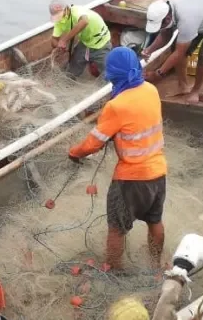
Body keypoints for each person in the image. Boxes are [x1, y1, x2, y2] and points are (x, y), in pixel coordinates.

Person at [68, 47, 168, 270]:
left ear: (112, 75)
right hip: (158, 173)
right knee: (155, 221)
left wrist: (74, 153)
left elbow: (94, 143)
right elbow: (137, 123)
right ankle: (156, 263)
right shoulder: (151, 89)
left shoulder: (116, 105)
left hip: (130, 180)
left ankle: (113, 270)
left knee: (116, 228)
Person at [49, 0, 112, 78]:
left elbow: (84, 21)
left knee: (108, 72)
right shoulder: (59, 22)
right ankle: (70, 82)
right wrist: (59, 47)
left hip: (101, 42)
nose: (60, 18)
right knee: (72, 70)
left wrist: (64, 40)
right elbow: (53, 40)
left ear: (67, 9)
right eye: (57, 17)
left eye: (60, 15)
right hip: (85, 43)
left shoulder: (77, 11)